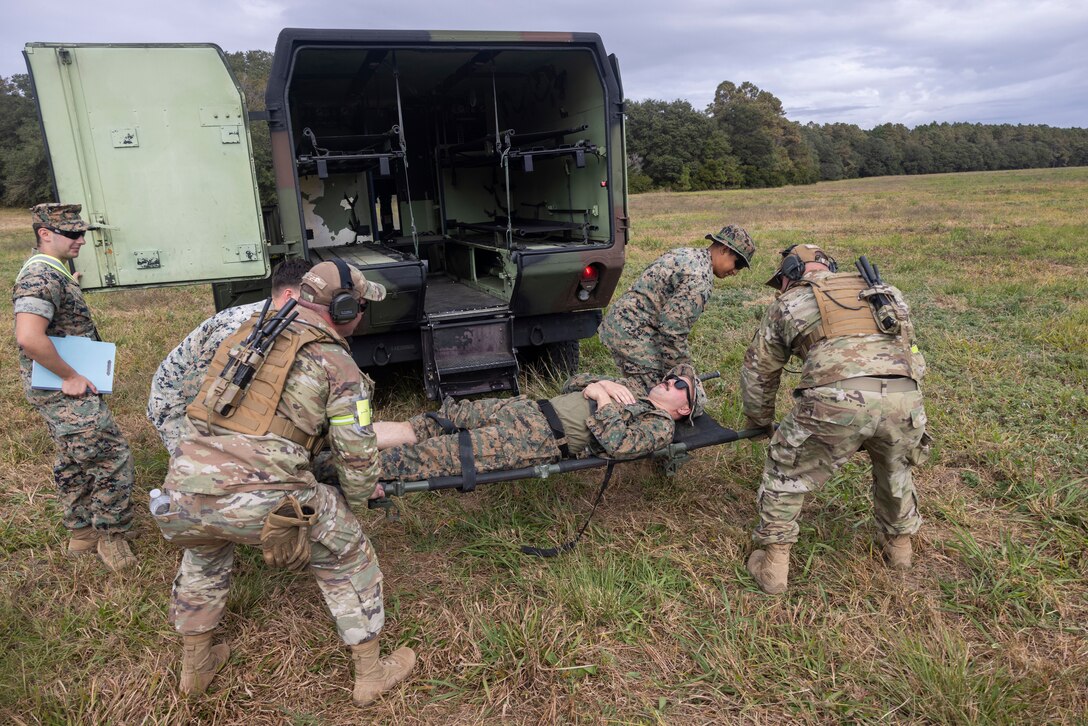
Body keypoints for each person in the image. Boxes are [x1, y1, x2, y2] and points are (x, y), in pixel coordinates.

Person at [152, 260, 416, 706]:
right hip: (265, 503)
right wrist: (357, 496)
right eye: (362, 306)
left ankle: (195, 668)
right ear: (344, 307)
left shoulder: (245, 335)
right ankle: (372, 673)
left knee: (204, 551)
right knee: (347, 551)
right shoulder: (336, 362)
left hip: (184, 492)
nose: (363, 315)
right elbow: (356, 452)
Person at [740, 244, 930, 595]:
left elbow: (760, 372)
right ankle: (899, 549)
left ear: (791, 273)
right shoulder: (884, 295)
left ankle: (774, 566)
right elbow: (912, 352)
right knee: (896, 467)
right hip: (906, 397)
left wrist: (760, 422)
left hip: (836, 400)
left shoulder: (788, 303)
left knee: (787, 469)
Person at [12, 203, 137, 572]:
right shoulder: (40, 277)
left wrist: (71, 285)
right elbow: (29, 339)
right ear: (45, 234)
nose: (81, 239)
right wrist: (70, 376)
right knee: (110, 456)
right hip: (59, 385)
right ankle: (112, 538)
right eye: (72, 234)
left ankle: (81, 533)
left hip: (54, 383)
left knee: (73, 456)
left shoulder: (53, 272)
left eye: (82, 233)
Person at [375, 364, 707, 482]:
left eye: (681, 387)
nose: (671, 382)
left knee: (438, 454)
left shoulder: (659, 424)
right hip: (524, 408)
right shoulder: (631, 389)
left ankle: (338, 468)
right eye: (671, 378)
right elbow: (575, 382)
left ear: (683, 410)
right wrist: (600, 384)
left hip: (536, 439)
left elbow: (619, 446)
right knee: (433, 422)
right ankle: (346, 437)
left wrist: (603, 400)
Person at [147, 258, 312, 455]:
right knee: (207, 468)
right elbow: (198, 390)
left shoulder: (274, 317)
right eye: (311, 297)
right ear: (289, 296)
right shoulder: (238, 329)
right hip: (178, 404)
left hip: (215, 395)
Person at [597, 225, 756, 392]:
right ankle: (593, 391)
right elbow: (672, 331)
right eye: (738, 264)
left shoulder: (685, 254)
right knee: (656, 392)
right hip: (631, 331)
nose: (736, 272)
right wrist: (684, 374)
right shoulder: (699, 280)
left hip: (623, 321)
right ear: (724, 249)